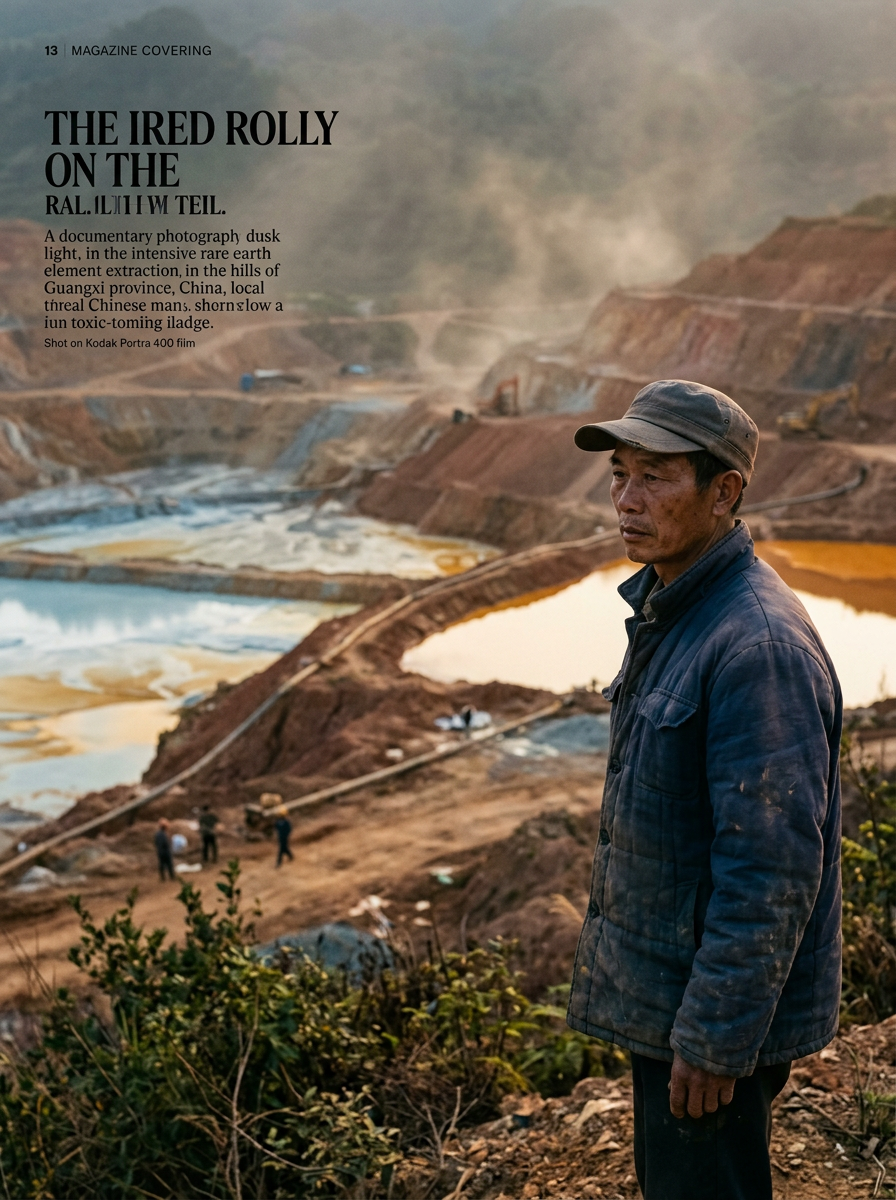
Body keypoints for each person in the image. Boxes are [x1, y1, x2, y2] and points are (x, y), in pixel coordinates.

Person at [567, 380, 842, 1200]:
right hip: (671, 998)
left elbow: (771, 870)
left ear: (725, 491)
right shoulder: (678, 607)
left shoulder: (755, 644)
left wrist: (716, 1040)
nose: (625, 498)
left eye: (654, 476)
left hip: (706, 1019)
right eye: (619, 474)